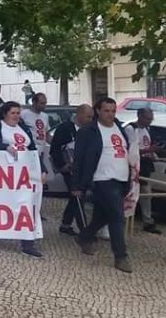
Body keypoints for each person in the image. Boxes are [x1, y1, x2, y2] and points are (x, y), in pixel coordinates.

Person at [72, 97, 133, 273]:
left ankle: (84, 236)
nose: (110, 114)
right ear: (98, 111)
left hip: (121, 179)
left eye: (113, 111)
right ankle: (120, 256)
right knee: (117, 216)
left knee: (103, 216)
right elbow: (79, 158)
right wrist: (77, 184)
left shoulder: (119, 128)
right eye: (106, 111)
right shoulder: (88, 131)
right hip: (102, 179)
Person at [0, 101, 43, 258]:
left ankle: (27, 242)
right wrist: (4, 147)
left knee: (27, 204)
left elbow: (32, 149)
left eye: (18, 113)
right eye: (13, 113)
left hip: (25, 174)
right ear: (5, 113)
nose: (16, 116)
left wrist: (43, 169)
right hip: (3, 175)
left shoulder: (24, 128)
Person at [50, 104, 94, 236]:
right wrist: (62, 165)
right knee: (77, 196)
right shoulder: (64, 129)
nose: (91, 120)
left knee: (76, 197)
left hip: (83, 169)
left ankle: (66, 223)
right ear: (79, 115)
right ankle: (84, 230)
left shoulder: (89, 130)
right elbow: (55, 149)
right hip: (69, 169)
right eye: (88, 117)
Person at [124, 108, 162, 234]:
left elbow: (146, 146)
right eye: (147, 118)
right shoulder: (131, 129)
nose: (149, 122)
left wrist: (152, 153)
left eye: (151, 119)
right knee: (132, 192)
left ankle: (147, 220)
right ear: (139, 116)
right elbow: (130, 151)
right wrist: (149, 150)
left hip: (145, 164)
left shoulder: (146, 129)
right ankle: (127, 218)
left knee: (146, 193)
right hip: (134, 165)